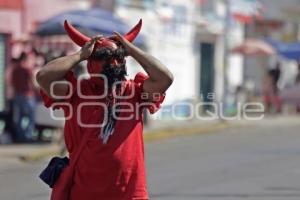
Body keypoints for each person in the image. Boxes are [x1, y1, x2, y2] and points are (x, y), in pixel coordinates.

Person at [36, 20, 173, 200]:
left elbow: (165, 78)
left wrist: (132, 50)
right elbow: (44, 76)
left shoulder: (135, 92)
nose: (114, 63)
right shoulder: (77, 91)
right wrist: (80, 55)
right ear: (91, 63)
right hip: (84, 194)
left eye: (119, 57)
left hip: (130, 194)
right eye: (104, 57)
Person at [12, 52, 36, 143]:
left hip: (18, 95)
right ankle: (28, 135)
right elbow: (32, 82)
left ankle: (20, 135)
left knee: (20, 116)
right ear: (25, 59)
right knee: (31, 116)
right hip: (27, 95)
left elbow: (13, 83)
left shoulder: (15, 69)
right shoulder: (26, 69)